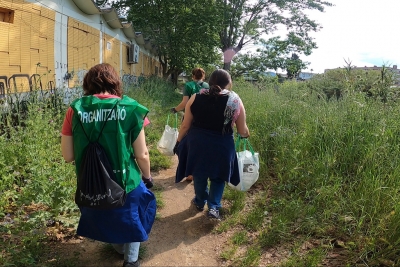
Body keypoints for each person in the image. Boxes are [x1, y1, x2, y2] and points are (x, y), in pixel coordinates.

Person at [61, 63, 156, 267]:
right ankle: (131, 260)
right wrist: (147, 178)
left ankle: (119, 246)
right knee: (137, 210)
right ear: (115, 83)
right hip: (125, 181)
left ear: (88, 84)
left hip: (92, 183)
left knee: (108, 216)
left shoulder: (74, 110)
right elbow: (142, 154)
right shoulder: (131, 109)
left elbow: (68, 155)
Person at [173, 69, 250, 220]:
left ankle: (200, 201)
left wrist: (178, 141)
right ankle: (213, 207)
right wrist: (247, 134)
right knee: (219, 176)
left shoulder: (195, 97)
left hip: (197, 143)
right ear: (229, 83)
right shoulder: (235, 100)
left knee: (199, 173)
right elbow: (242, 130)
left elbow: (185, 126)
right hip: (222, 144)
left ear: (210, 82)